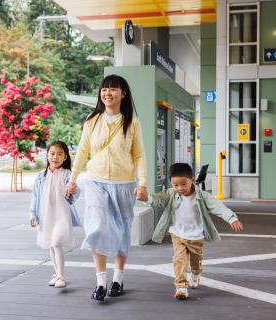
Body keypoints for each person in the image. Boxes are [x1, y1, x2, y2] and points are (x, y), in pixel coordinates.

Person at [66, 74, 148, 302]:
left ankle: (118, 279)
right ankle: (101, 282)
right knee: (97, 228)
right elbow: (82, 150)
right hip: (95, 181)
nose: (107, 93)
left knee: (122, 230)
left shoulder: (132, 122)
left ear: (123, 94)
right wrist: (72, 180)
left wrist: (142, 183)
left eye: (113, 89)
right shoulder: (92, 120)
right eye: (104, 89)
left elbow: (139, 154)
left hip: (124, 184)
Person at [143, 163, 243, 300]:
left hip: (196, 235)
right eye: (175, 185)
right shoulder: (170, 194)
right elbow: (158, 199)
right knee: (179, 260)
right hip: (177, 233)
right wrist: (146, 198)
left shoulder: (202, 196)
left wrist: (231, 218)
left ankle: (195, 273)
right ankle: (181, 287)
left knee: (196, 260)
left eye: (183, 184)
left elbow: (217, 206)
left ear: (193, 180)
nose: (179, 188)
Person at [30, 141, 80, 289]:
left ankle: (61, 276)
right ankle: (56, 273)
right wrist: (32, 213)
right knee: (51, 245)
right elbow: (34, 196)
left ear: (65, 157)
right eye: (52, 154)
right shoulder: (41, 176)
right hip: (46, 215)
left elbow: (74, 196)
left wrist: (72, 190)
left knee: (56, 242)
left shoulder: (67, 175)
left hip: (62, 215)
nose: (55, 157)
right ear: (47, 155)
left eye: (59, 154)